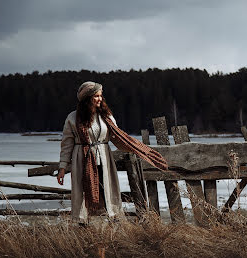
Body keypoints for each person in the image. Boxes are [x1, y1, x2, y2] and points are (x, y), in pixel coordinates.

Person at [57, 81, 167, 223]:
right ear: (86, 99)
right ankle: (84, 225)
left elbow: (118, 138)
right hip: (82, 160)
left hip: (104, 159)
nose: (100, 99)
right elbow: (67, 144)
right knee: (83, 194)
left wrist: (137, 148)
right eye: (96, 96)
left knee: (107, 193)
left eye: (100, 96)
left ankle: (110, 223)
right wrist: (62, 167)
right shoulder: (72, 118)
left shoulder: (106, 117)